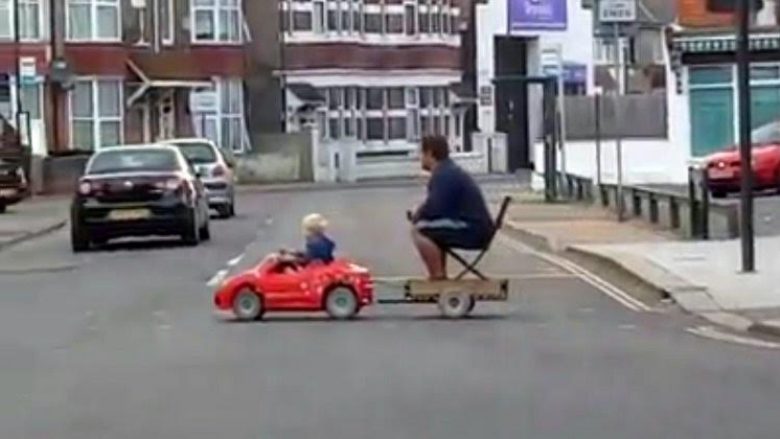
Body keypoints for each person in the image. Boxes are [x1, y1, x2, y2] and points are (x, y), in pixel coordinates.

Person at [411, 135, 494, 280]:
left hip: (473, 229)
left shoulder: (444, 174)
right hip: (476, 227)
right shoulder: (448, 170)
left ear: (430, 153)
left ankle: (437, 277)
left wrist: (417, 215)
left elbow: (435, 207)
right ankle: (440, 274)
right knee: (433, 229)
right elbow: (439, 207)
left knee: (419, 230)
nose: (420, 159)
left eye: (421, 154)